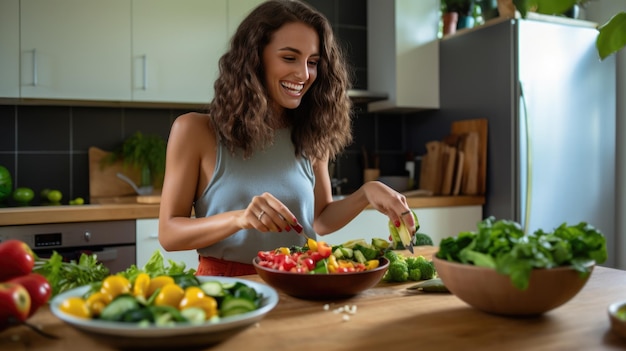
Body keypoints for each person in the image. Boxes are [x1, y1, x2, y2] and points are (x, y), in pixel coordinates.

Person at [158, 0, 416, 276]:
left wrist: (366, 193)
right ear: (254, 58)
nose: (304, 74)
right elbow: (170, 234)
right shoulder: (195, 130)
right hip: (226, 288)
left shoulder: (310, 133)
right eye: (289, 58)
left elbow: (320, 218)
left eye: (313, 62)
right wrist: (239, 218)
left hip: (299, 284)